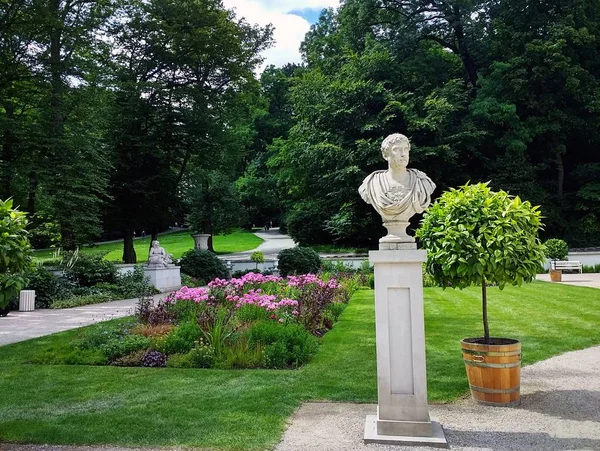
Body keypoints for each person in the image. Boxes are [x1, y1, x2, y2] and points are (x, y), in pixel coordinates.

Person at [359, 133, 436, 242]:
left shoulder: (422, 182)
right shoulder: (371, 184)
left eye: (405, 149)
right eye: (397, 149)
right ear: (386, 155)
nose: (403, 154)